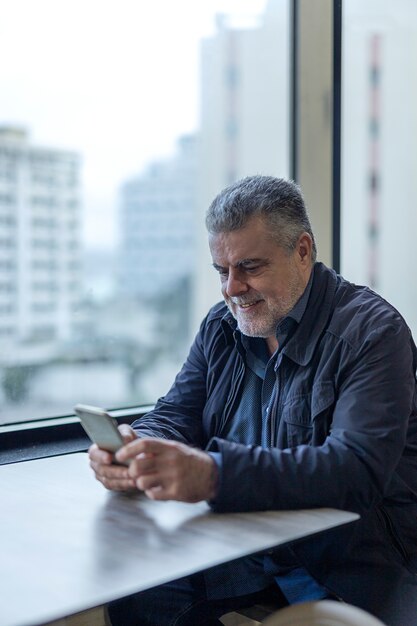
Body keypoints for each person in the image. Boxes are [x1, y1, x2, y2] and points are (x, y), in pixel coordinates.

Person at [89, 176, 417, 626]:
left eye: (250, 266)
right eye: (221, 271)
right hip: (251, 545)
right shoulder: (222, 326)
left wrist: (213, 475)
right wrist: (137, 445)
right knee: (140, 598)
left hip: (354, 558)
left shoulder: (372, 332)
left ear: (302, 251)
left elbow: (355, 470)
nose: (232, 288)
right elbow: (177, 412)